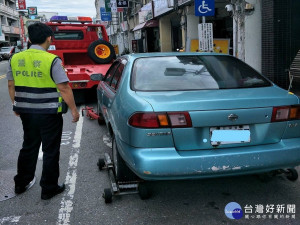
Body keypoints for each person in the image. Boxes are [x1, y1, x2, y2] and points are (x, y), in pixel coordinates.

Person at [6, 22, 80, 200]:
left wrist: (16, 105)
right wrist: (74, 111)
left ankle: (21, 183)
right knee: (50, 150)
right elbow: (64, 88)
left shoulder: (15, 58)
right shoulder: (52, 60)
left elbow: (11, 84)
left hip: (26, 113)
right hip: (49, 113)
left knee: (29, 147)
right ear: (49, 38)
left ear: (29, 39)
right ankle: (49, 188)